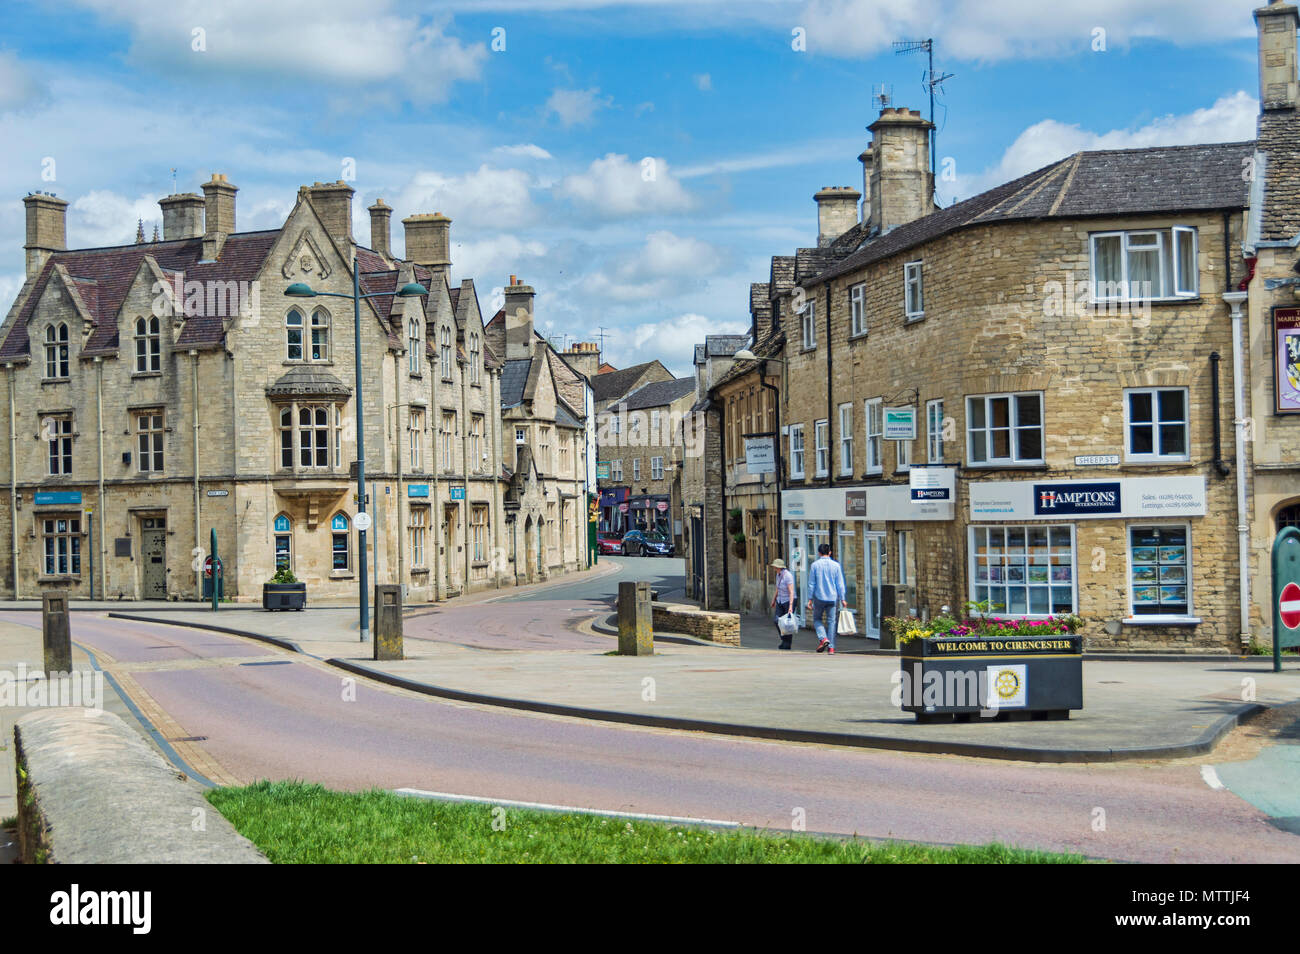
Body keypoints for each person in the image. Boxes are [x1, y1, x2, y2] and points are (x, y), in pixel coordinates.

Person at [805, 542, 847, 654]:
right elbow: (840, 584)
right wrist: (843, 598)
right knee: (832, 622)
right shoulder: (836, 566)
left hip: (819, 597)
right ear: (830, 552)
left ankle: (823, 639)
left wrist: (810, 598)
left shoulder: (814, 565)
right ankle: (831, 648)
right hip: (833, 598)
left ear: (819, 553)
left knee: (817, 619)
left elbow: (811, 584)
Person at [769, 558, 796, 650]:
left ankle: (787, 643)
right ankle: (784, 640)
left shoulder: (788, 576)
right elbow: (777, 588)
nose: (774, 568)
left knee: (787, 623)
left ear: (780, 567)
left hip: (788, 600)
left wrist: (791, 606)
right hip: (780, 600)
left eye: (775, 567)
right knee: (777, 620)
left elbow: (791, 592)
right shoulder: (778, 575)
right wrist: (773, 599)